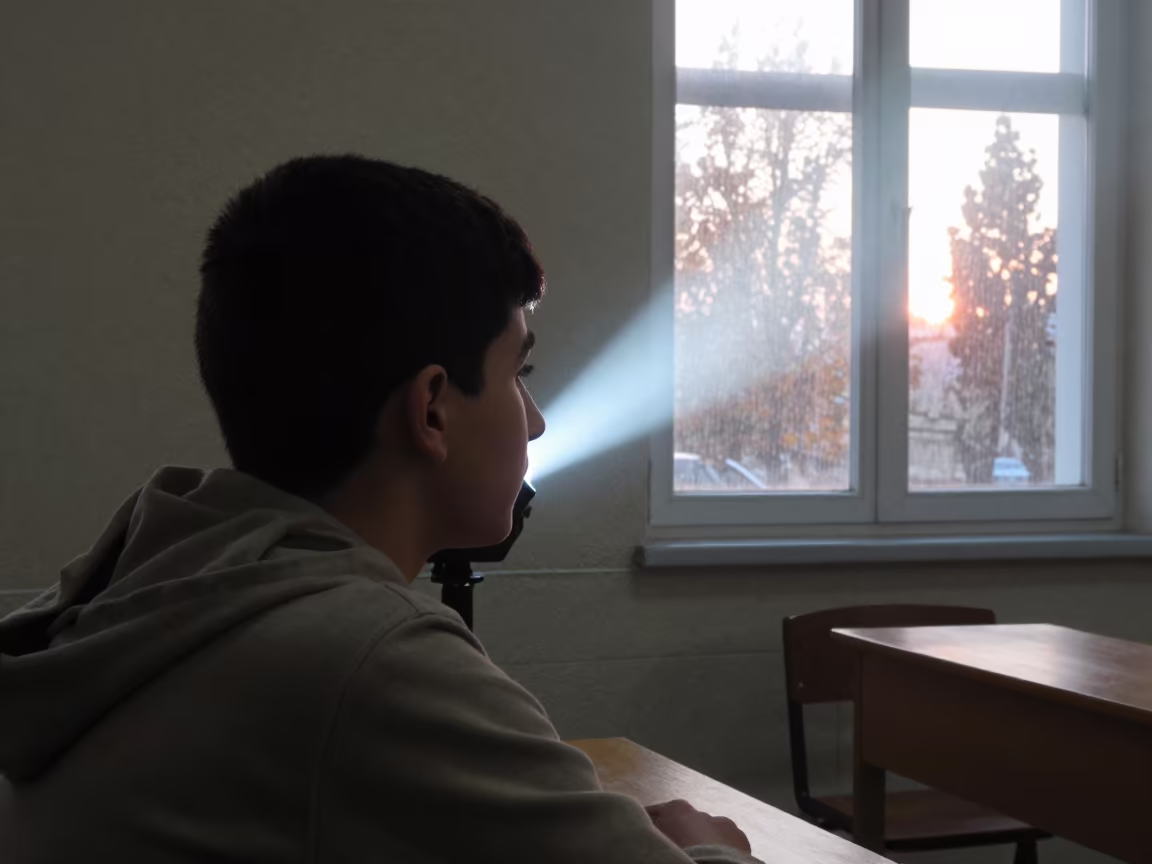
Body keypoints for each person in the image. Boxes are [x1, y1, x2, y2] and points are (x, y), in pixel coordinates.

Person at [0, 155, 760, 863]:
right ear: (431, 410)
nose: (534, 422)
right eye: (518, 373)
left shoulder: (157, 583)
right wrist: (712, 845)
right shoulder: (372, 660)